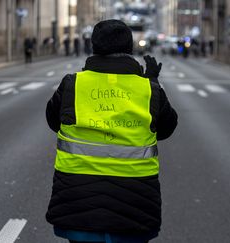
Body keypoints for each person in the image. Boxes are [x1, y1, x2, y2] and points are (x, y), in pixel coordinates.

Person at [45, 19, 178, 243]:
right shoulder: (148, 89)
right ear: (130, 48)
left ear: (93, 47)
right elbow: (167, 128)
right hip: (134, 201)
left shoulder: (72, 84)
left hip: (78, 199)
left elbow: (53, 121)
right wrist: (152, 81)